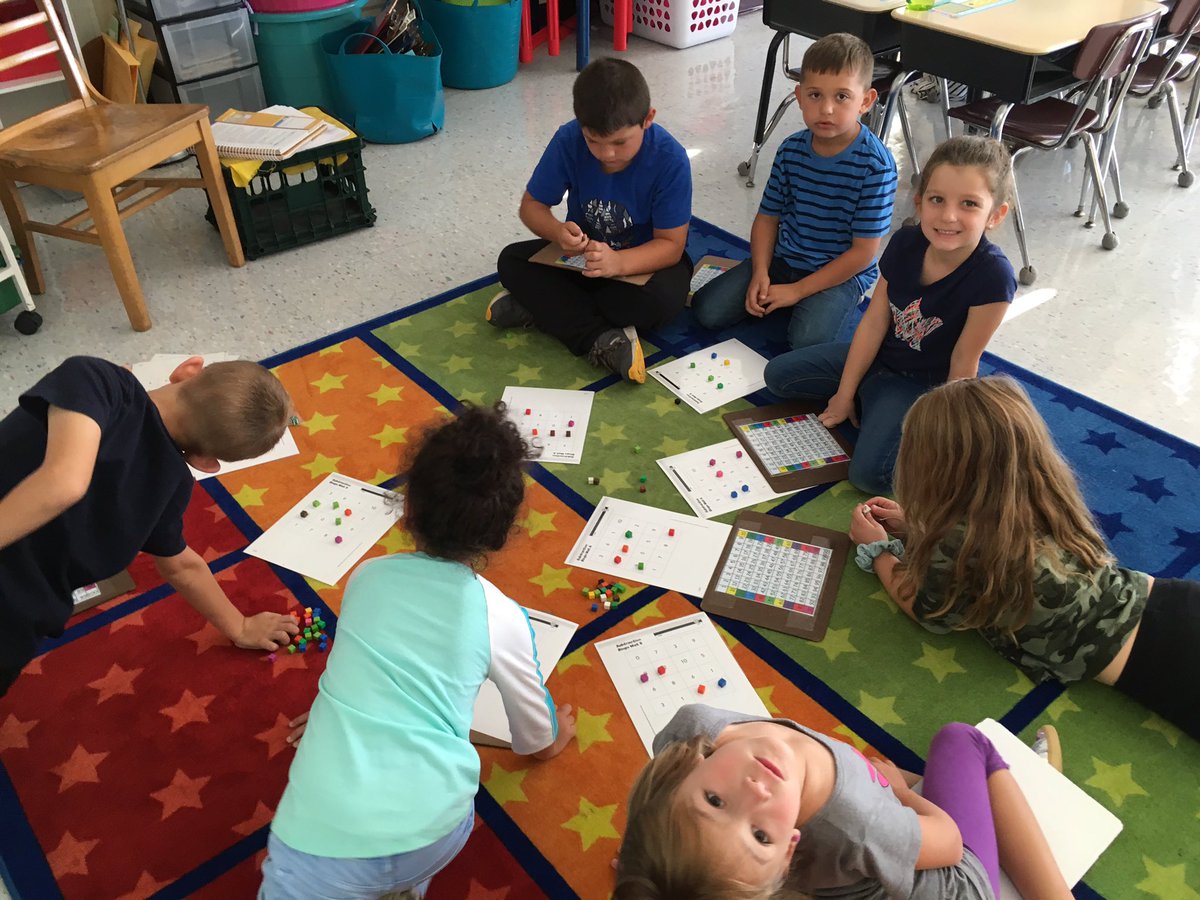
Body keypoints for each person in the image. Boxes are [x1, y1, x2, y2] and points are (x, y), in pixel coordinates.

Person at [261, 402, 577, 900]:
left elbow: (368, 664)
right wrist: (556, 737)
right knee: (395, 872)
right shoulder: (503, 617)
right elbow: (534, 741)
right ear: (502, 534)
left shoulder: (366, 576)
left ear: (406, 511)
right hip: (434, 829)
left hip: (313, 837)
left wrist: (333, 711)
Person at [850, 375, 1200, 743]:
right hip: (1170, 601)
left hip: (1166, 665)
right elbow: (987, 543)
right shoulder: (1042, 489)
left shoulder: (957, 542)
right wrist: (918, 526)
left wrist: (878, 550)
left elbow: (925, 608)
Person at [0, 355, 299, 696]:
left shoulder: (98, 380)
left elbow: (66, 482)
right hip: (16, 625)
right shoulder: (172, 487)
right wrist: (240, 626)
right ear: (206, 463)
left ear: (187, 370)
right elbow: (184, 567)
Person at [763, 135, 1017, 494]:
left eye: (969, 204)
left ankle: (888, 414)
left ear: (996, 215)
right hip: (877, 359)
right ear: (919, 201)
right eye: (936, 199)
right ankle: (874, 405)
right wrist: (845, 392)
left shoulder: (993, 276)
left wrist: (942, 440)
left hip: (921, 385)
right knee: (777, 376)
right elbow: (875, 320)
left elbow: (963, 365)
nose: (948, 216)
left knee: (867, 476)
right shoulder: (905, 242)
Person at [614, 705, 1072, 900]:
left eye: (714, 801)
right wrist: (901, 794)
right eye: (760, 835)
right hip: (954, 883)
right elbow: (950, 843)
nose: (758, 793)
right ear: (788, 850)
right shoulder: (861, 822)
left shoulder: (686, 729)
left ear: (678, 770)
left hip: (864, 861)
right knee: (962, 739)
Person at [490, 58, 693, 384]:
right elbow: (531, 206)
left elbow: (671, 246)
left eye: (619, 142)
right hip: (581, 263)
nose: (606, 154)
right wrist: (557, 231)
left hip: (641, 267)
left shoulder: (670, 159)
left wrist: (618, 263)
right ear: (580, 125)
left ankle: (544, 310)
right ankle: (599, 338)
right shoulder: (568, 139)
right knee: (511, 261)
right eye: (593, 141)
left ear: (648, 119)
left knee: (661, 302)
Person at [691, 32, 898, 352]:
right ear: (799, 96)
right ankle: (782, 294)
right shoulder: (791, 150)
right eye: (815, 95)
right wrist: (760, 271)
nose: (826, 109)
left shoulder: (877, 167)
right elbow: (767, 219)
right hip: (784, 259)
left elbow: (863, 254)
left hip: (840, 274)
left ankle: (797, 300)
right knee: (706, 310)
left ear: (866, 101)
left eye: (842, 96)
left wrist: (799, 290)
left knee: (806, 342)